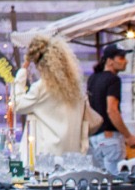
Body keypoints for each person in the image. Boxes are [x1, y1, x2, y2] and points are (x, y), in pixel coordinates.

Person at [13, 35, 90, 163]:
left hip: (45, 157)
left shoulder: (42, 88)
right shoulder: (77, 89)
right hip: (72, 156)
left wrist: (23, 71)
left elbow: (17, 105)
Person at [86, 42, 135, 174]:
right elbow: (112, 110)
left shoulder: (92, 79)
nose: (126, 61)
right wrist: (128, 136)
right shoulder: (114, 80)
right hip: (110, 138)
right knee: (115, 181)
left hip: (94, 139)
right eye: (121, 58)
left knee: (98, 181)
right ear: (109, 61)